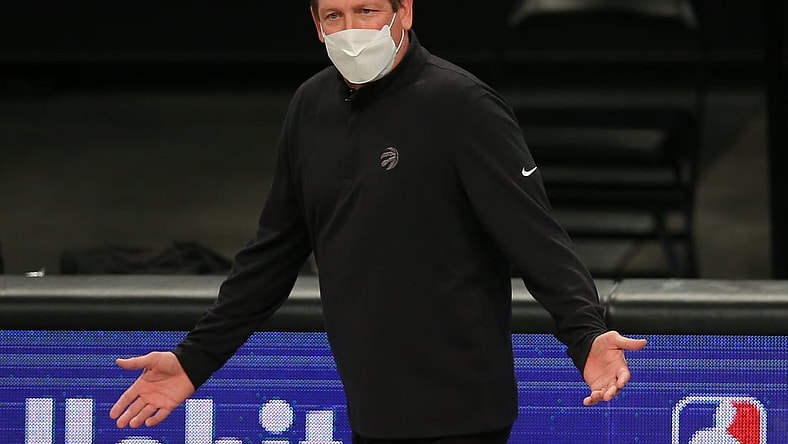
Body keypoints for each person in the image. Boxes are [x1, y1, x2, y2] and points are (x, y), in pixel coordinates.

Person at [109, 1, 648, 442]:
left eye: (366, 12)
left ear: (404, 13)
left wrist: (587, 335)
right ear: (316, 24)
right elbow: (270, 257)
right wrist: (193, 360)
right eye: (335, 17)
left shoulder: (462, 105)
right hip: (372, 409)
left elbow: (536, 238)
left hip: (461, 415)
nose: (351, 31)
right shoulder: (309, 107)